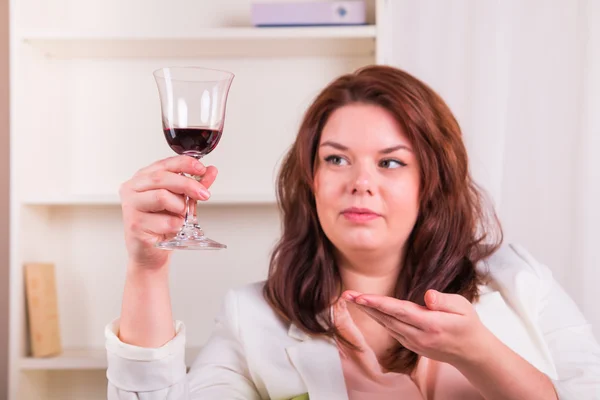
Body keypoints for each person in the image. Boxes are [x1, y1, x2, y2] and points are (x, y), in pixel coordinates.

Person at [105, 65, 600, 400]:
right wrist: (146, 269)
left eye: (391, 162)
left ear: (431, 183)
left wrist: (479, 353)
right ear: (311, 180)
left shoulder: (520, 284)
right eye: (336, 159)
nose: (361, 183)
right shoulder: (253, 318)